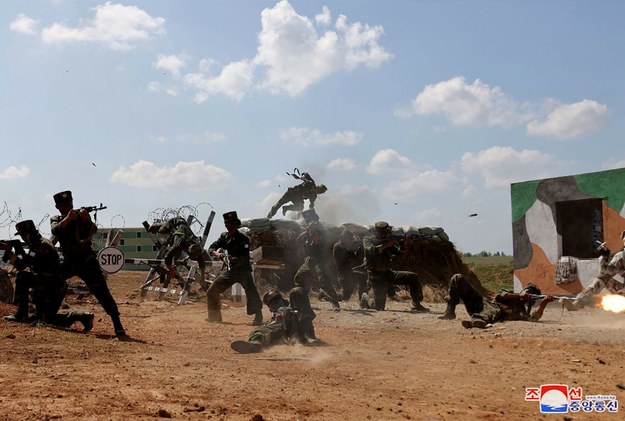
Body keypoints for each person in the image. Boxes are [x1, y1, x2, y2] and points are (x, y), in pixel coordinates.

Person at [50, 190, 126, 337]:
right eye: (65, 204)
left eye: (70, 203)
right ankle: (48, 314)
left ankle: (117, 324)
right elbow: (55, 230)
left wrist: (85, 219)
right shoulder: (57, 219)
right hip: (68, 262)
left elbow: (93, 230)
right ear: (58, 206)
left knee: (102, 293)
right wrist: (67, 219)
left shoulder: (82, 217)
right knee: (51, 280)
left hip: (86, 262)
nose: (68, 206)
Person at [1, 220, 94, 331]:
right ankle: (83, 317)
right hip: (51, 285)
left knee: (22, 276)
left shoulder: (40, 246)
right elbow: (30, 262)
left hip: (51, 287)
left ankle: (21, 314)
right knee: (42, 320)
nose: (23, 238)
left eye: (23, 235)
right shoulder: (40, 244)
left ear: (28, 234)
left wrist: (11, 254)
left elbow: (22, 266)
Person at [438, 273, 556, 328]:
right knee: (457, 278)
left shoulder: (521, 311)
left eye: (531, 294)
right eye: (527, 291)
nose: (527, 294)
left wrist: (544, 303)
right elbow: (499, 296)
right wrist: (518, 295)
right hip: (480, 303)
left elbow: (533, 318)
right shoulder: (510, 294)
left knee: (495, 310)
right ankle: (450, 311)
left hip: (491, 312)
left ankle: (477, 321)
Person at [206, 211, 263, 325]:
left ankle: (258, 316)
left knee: (251, 292)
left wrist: (236, 260)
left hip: (243, 271)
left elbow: (245, 257)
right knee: (212, 291)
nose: (229, 227)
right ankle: (214, 317)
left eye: (232, 224)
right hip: (231, 270)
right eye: (227, 224)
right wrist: (217, 254)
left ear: (236, 225)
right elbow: (211, 247)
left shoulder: (244, 239)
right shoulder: (224, 236)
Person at [360, 221, 430, 312]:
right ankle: (365, 297)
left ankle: (416, 303)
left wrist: (404, 244)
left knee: (413, 277)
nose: (387, 234)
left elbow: (398, 253)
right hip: (376, 276)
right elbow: (372, 250)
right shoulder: (367, 239)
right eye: (384, 232)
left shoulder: (388, 241)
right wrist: (386, 245)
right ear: (378, 232)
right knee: (379, 307)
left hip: (388, 273)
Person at [230, 287, 318, 354]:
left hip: (301, 327)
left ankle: (308, 335)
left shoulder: (294, 307)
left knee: (297, 290)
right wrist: (277, 321)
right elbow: (266, 329)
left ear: (283, 300)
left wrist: (291, 313)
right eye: (273, 304)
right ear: (270, 309)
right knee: (257, 330)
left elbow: (304, 313)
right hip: (288, 335)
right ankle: (255, 344)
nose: (276, 304)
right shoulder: (273, 321)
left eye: (278, 301)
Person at [563, 232, 625, 311]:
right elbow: (605, 274)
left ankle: (579, 302)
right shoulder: (621, 256)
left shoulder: (621, 256)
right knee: (603, 280)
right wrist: (605, 256)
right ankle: (579, 302)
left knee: (602, 280)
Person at [294, 209, 341, 311]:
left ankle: (335, 303)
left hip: (318, 260)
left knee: (324, 280)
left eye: (308, 218)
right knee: (298, 278)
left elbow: (318, 241)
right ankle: (304, 301)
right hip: (308, 260)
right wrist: (307, 232)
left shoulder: (320, 230)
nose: (307, 221)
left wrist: (314, 233)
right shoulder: (308, 230)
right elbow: (299, 240)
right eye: (306, 219)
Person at [149, 217, 208, 292]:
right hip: (175, 222)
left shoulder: (196, 247)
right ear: (188, 251)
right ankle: (157, 225)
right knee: (163, 230)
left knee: (175, 248)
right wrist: (171, 271)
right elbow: (168, 257)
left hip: (182, 225)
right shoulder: (179, 244)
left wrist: (203, 278)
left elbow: (202, 263)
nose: (195, 258)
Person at [332, 229, 367, 303]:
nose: (350, 240)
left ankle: (362, 301)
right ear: (343, 238)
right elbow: (345, 258)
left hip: (349, 272)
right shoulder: (338, 247)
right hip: (343, 274)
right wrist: (352, 248)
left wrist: (358, 250)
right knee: (344, 297)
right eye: (349, 238)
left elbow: (355, 258)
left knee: (363, 277)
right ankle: (326, 294)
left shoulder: (346, 246)